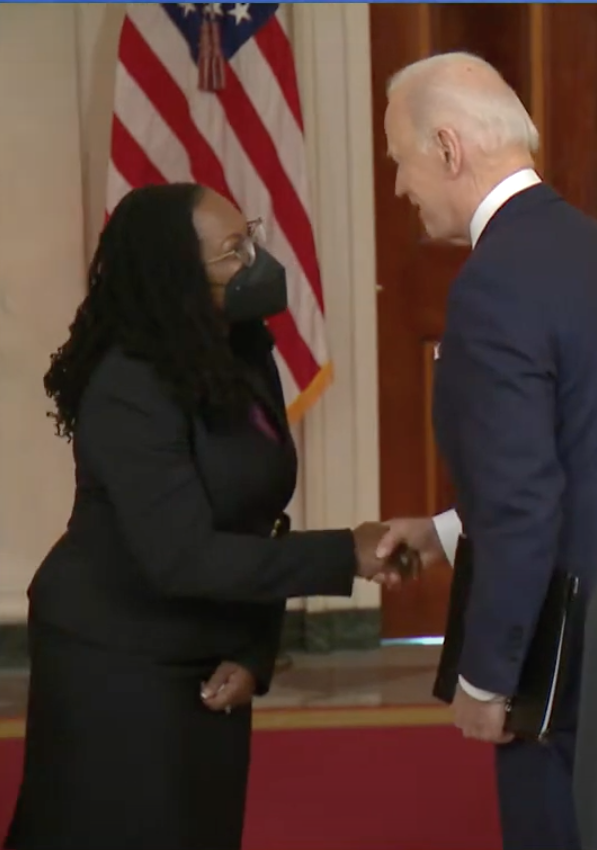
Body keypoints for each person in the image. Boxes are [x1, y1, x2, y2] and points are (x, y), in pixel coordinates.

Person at [5, 183, 405, 850]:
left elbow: (255, 518)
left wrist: (253, 648)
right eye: (232, 252)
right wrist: (349, 553)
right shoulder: (128, 384)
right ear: (176, 279)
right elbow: (183, 555)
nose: (256, 261)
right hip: (115, 658)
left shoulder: (243, 350)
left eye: (249, 237)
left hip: (207, 652)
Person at [374, 53, 597, 850]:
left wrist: (488, 676)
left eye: (399, 160)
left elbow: (525, 503)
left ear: (448, 149)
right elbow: (592, 452)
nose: (398, 187)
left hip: (563, 658)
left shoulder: (495, 283)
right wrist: (448, 531)